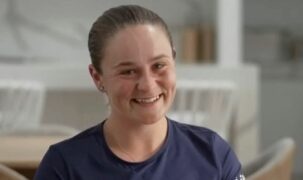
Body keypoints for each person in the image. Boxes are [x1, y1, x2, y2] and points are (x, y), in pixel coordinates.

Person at [34, 5, 245, 180]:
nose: (147, 85)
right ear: (98, 77)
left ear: (173, 59)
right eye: (128, 71)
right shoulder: (63, 166)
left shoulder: (213, 154)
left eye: (159, 66)